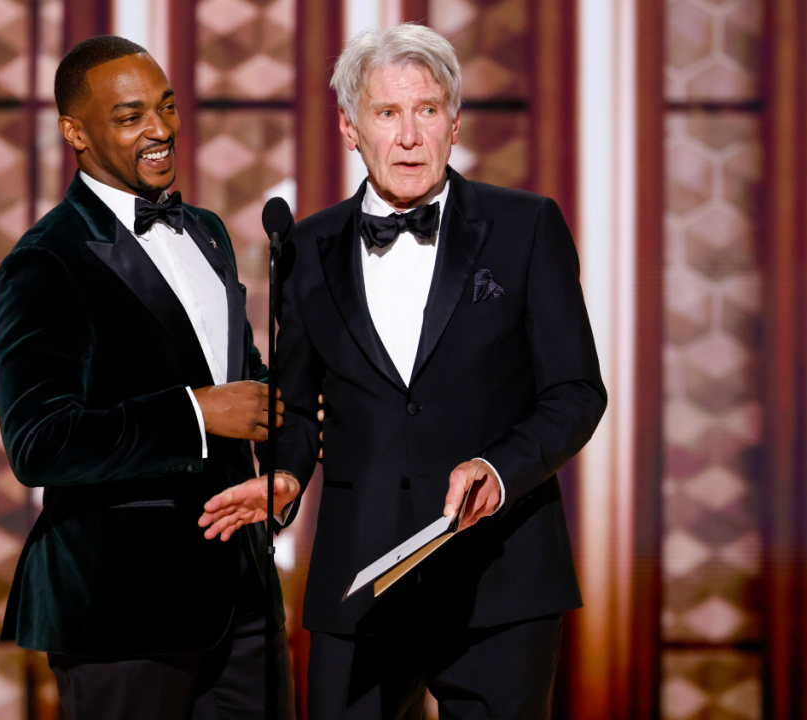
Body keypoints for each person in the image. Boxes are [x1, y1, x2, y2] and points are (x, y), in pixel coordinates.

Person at [207, 23, 606, 719]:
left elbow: (576, 391)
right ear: (349, 127)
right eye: (387, 114)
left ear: (454, 123)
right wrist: (286, 474)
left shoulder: (527, 226)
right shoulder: (304, 247)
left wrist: (500, 468)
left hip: (502, 581)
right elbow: (298, 410)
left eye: (426, 111)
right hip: (358, 582)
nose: (409, 135)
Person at [0, 35, 293, 719]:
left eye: (166, 107)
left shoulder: (208, 232)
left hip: (244, 595)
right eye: (130, 117)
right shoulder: (45, 262)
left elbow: (238, 381)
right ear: (76, 134)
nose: (160, 130)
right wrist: (194, 413)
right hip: (118, 609)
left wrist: (287, 459)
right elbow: (39, 442)